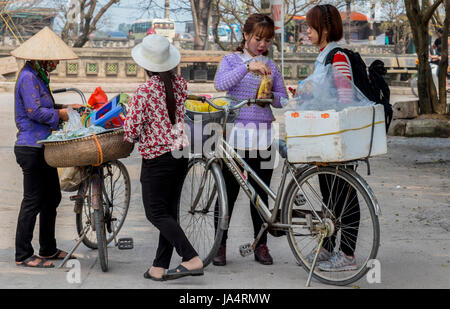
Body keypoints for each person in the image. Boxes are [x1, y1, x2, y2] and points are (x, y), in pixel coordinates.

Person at [124, 34, 203, 281]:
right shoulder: (179, 85)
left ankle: (190, 257)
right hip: (179, 154)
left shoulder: (144, 91)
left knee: (155, 213)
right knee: (168, 212)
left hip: (157, 158)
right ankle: (159, 266)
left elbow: (131, 132)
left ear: (146, 65)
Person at [213, 13, 288, 266]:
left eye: (267, 40)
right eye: (258, 38)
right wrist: (247, 66)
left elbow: (282, 98)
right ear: (246, 35)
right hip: (235, 136)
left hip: (263, 135)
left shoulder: (272, 66)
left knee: (260, 195)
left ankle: (261, 245)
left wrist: (270, 97)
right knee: (228, 192)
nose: (262, 45)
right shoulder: (231, 60)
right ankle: (219, 245)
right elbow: (220, 84)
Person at [11, 27, 80, 268]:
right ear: (44, 57)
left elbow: (45, 105)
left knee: (52, 197)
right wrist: (61, 114)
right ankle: (23, 254)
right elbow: (35, 111)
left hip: (44, 147)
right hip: (31, 147)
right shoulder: (28, 77)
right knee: (33, 200)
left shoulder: (39, 75)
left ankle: (48, 248)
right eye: (54, 58)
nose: (57, 63)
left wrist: (65, 106)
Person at [303, 4, 360, 272]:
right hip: (326, 135)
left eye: (311, 26)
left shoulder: (337, 57)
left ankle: (347, 255)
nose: (307, 31)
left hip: (338, 135)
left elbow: (345, 97)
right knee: (329, 194)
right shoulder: (323, 56)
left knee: (344, 196)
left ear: (324, 29)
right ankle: (328, 247)